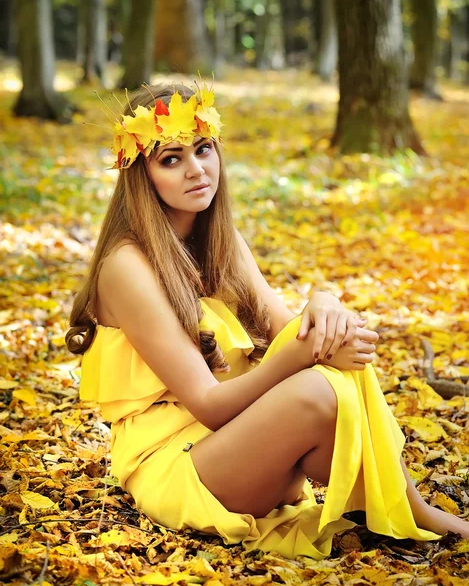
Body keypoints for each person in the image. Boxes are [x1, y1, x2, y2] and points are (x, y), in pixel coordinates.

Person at [66, 81, 468, 560]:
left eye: (204, 149)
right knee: (318, 385)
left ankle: (399, 505)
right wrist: (303, 351)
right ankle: (410, 508)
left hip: (236, 442)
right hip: (179, 464)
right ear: (141, 175)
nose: (196, 170)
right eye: (171, 159)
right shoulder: (126, 266)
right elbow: (210, 404)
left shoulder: (221, 237)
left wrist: (324, 302)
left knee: (338, 348)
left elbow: (289, 330)